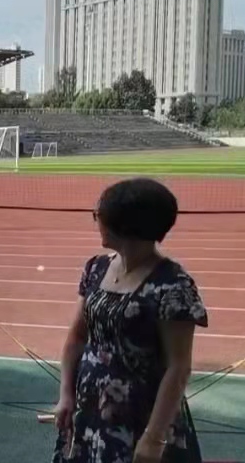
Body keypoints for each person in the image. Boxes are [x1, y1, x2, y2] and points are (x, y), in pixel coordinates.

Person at [52, 178, 208, 463]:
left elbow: (178, 367)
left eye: (99, 215)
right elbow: (77, 338)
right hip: (90, 408)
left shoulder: (172, 285)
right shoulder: (96, 268)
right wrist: (66, 395)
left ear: (123, 225)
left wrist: (154, 437)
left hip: (142, 417)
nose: (96, 222)